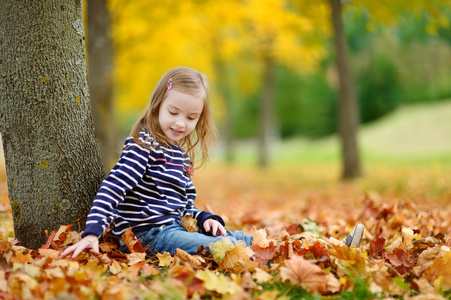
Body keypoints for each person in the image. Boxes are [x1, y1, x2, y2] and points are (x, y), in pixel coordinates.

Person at [61, 66, 364, 259]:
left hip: (172, 228)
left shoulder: (177, 153)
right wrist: (92, 232)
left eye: (191, 117)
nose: (181, 123)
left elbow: (182, 207)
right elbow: (114, 186)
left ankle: (322, 246)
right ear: (157, 107)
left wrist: (205, 216)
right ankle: (297, 256)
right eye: (174, 112)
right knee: (224, 248)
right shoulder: (145, 145)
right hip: (147, 236)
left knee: (236, 235)